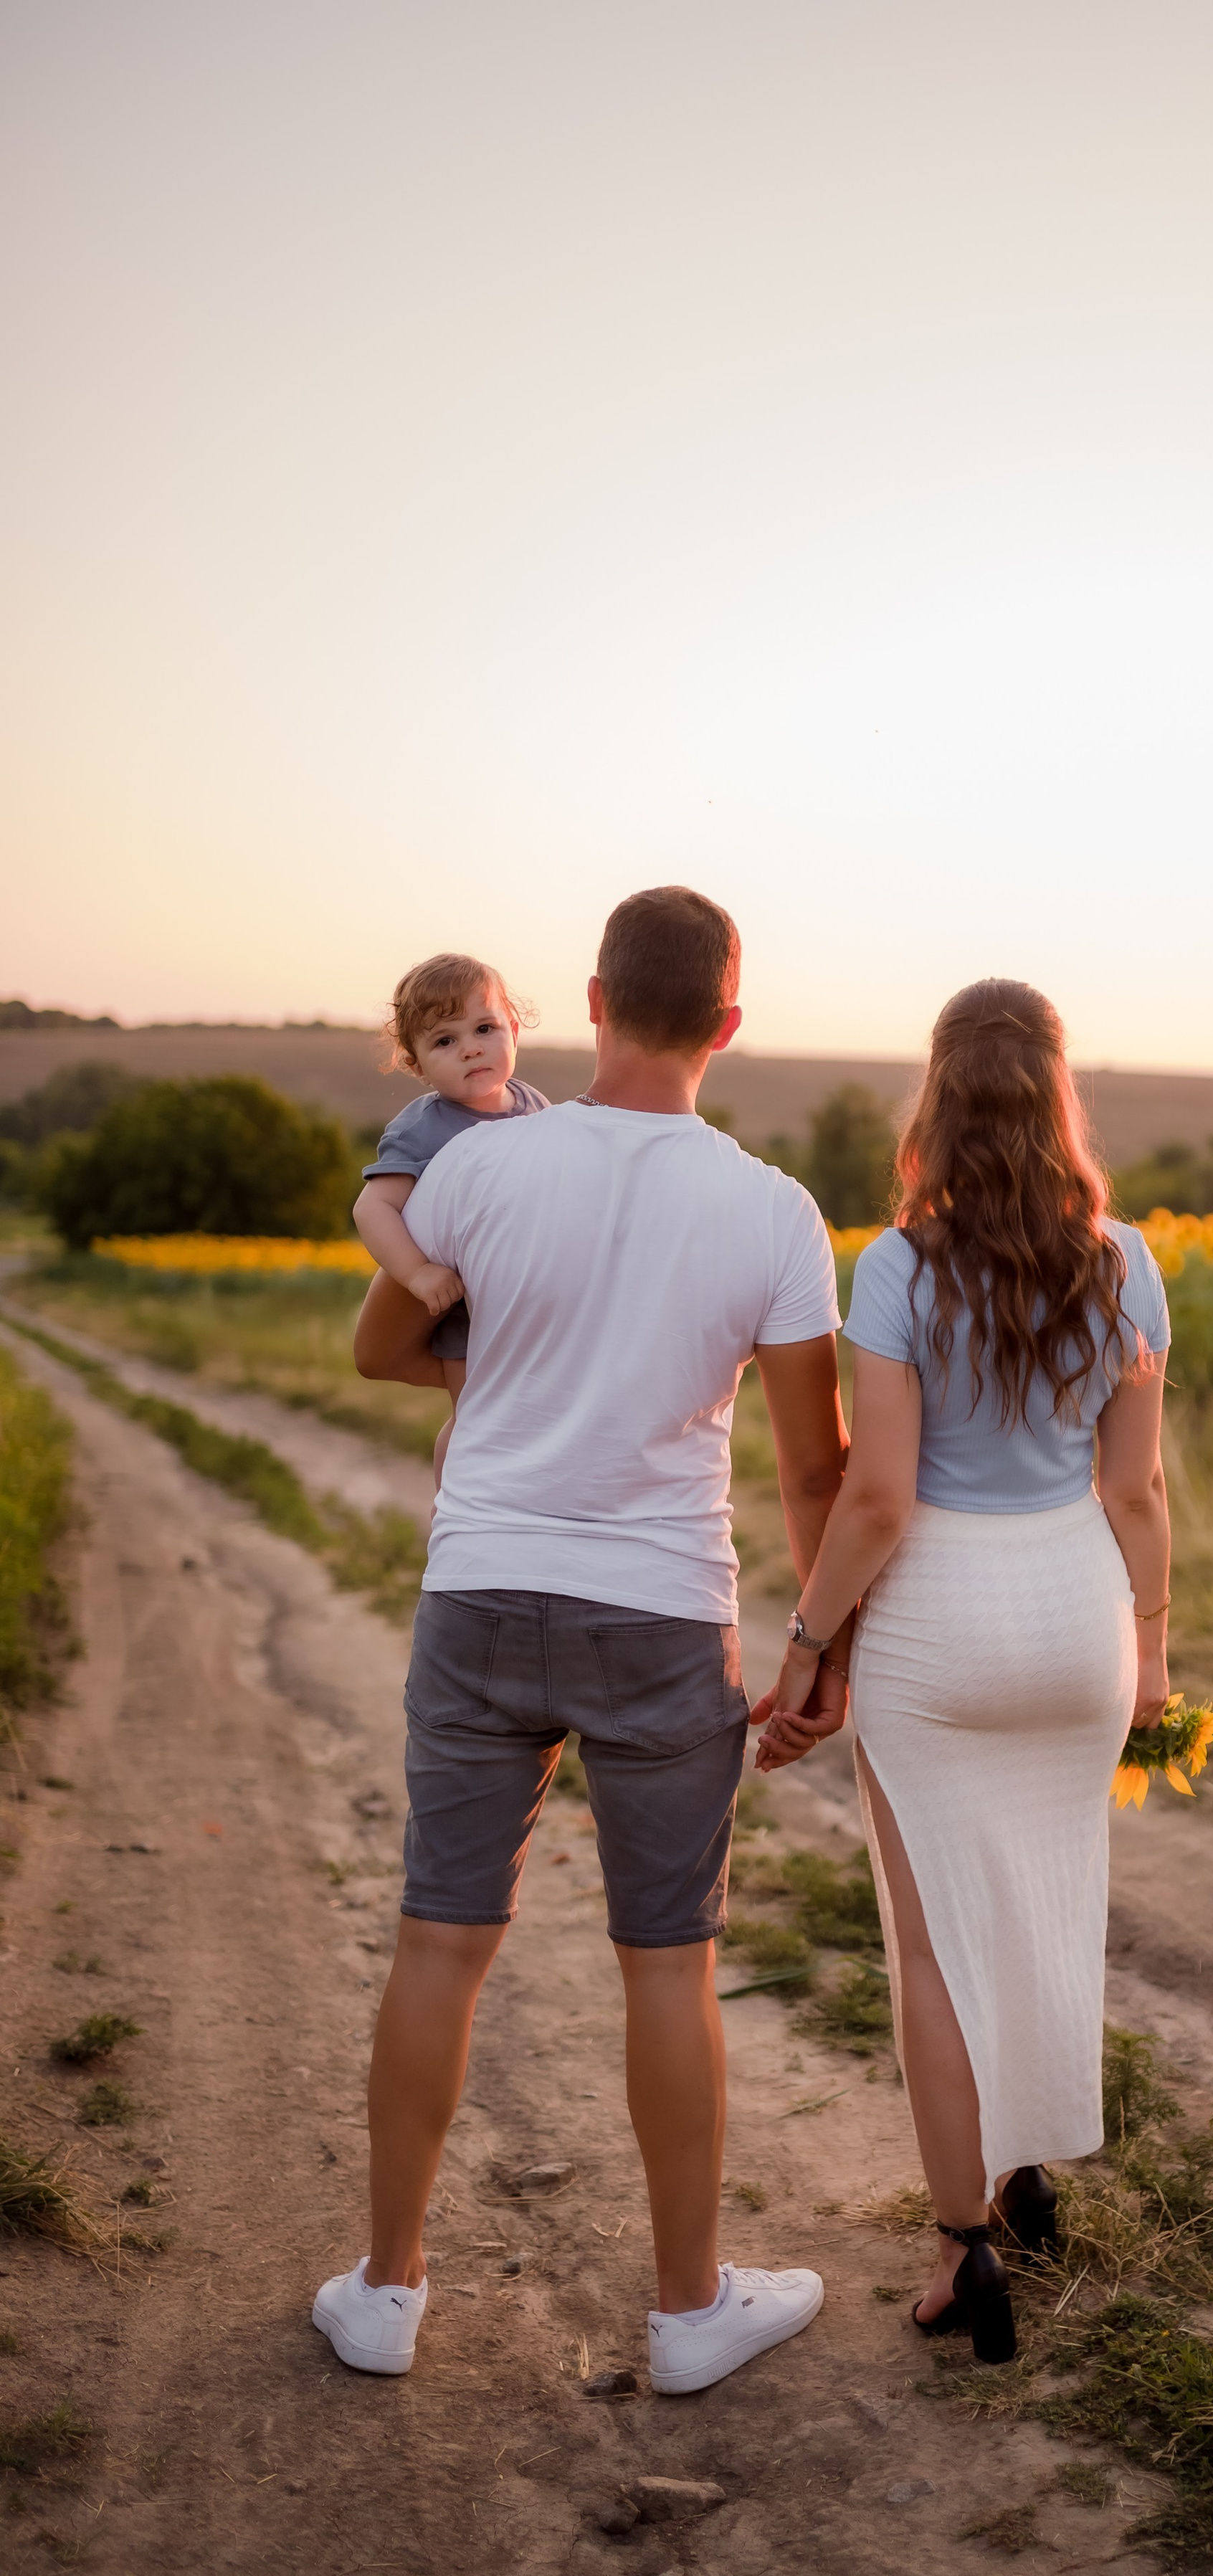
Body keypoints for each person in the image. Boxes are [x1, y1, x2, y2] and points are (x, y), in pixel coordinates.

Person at [315, 886, 850, 2390]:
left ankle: (386, 2294)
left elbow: (378, 1346)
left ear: (596, 1001)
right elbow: (814, 1467)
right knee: (666, 1965)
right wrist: (820, 1644)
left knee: (441, 1936)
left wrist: (518, 1391)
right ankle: (687, 2315)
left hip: (483, 1588)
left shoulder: (482, 1163)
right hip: (665, 1614)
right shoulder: (771, 1211)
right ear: (728, 1026)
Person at [754, 979, 1171, 2362]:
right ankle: (1025, 2171)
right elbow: (1139, 1491)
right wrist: (1152, 1657)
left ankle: (965, 2250)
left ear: (935, 1098)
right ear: (1058, 1095)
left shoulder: (900, 1265)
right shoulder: (1124, 1261)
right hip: (1075, 1613)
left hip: (942, 1618)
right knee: (1050, 1898)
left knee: (931, 1943)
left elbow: (876, 1500)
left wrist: (811, 1647)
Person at [351, 956, 549, 1491]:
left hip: (524, 1301)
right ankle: (455, 1507)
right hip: (462, 1306)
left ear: (514, 1028)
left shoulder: (535, 1108)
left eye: (485, 1028)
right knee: (476, 1422)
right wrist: (417, 1274)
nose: (470, 1047)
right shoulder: (423, 1128)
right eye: (444, 1041)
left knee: (532, 1422)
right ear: (415, 1062)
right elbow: (373, 1208)